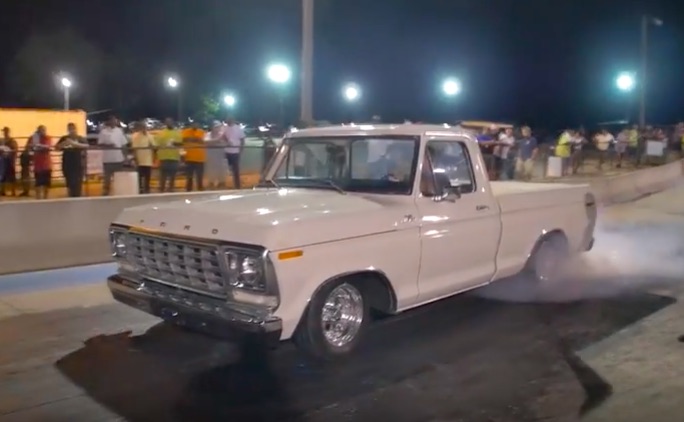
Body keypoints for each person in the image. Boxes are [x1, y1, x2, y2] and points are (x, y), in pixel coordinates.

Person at [55, 123, 88, 197]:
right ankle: (70, 195)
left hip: (78, 163)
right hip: (67, 163)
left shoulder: (80, 138)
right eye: (70, 129)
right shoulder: (64, 138)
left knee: (78, 181)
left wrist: (75, 144)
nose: (72, 130)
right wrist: (65, 143)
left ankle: (78, 195)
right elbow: (56, 147)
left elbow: (86, 146)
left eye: (73, 128)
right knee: (69, 181)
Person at [97, 116, 128, 195]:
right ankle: (106, 192)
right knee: (107, 178)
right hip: (107, 160)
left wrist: (125, 157)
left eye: (115, 120)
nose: (114, 122)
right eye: (112, 120)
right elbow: (100, 145)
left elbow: (124, 144)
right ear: (109, 121)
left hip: (118, 159)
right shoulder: (103, 132)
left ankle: (118, 192)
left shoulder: (119, 131)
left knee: (118, 178)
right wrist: (108, 146)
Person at [155, 118, 183, 192]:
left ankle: (171, 189)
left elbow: (181, 143)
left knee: (173, 176)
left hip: (174, 157)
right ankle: (162, 189)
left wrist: (175, 143)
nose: (169, 123)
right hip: (163, 157)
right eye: (167, 122)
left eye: (170, 122)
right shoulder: (161, 133)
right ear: (165, 123)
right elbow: (156, 145)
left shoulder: (177, 132)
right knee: (163, 176)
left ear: (173, 122)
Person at [129, 121, 155, 194]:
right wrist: (135, 158)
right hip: (140, 159)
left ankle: (147, 189)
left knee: (147, 176)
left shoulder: (150, 136)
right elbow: (134, 148)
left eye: (144, 127)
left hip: (148, 159)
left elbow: (154, 146)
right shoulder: (135, 136)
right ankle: (140, 189)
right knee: (139, 176)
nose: (143, 128)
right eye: (142, 127)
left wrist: (152, 148)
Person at [29, 125, 52, 199]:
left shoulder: (47, 138)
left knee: (46, 183)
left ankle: (45, 198)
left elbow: (47, 146)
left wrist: (38, 145)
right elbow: (30, 147)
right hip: (38, 164)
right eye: (41, 130)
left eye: (43, 130)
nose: (43, 132)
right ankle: (38, 198)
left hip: (46, 164)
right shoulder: (34, 138)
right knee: (38, 183)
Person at [221, 117, 245, 189]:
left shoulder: (238, 129)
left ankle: (237, 185)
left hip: (235, 151)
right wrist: (226, 141)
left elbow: (242, 139)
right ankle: (223, 183)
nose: (228, 121)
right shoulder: (225, 128)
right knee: (225, 168)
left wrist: (241, 149)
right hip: (227, 151)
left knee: (235, 169)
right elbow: (223, 136)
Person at [182, 121, 206, 191]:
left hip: (200, 158)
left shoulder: (201, 132)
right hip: (189, 158)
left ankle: (200, 189)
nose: (195, 125)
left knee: (199, 176)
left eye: (196, 124)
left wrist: (192, 139)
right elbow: (184, 139)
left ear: (198, 125)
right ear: (191, 124)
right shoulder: (186, 131)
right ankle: (188, 190)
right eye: (194, 124)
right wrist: (196, 139)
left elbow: (202, 141)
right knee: (189, 176)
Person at [204, 121, 228, 189]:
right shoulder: (208, 134)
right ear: (212, 128)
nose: (217, 129)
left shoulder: (222, 135)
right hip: (211, 159)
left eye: (218, 127)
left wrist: (218, 140)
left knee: (222, 176)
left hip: (220, 158)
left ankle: (221, 185)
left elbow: (228, 143)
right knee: (211, 176)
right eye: (215, 127)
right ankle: (211, 186)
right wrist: (217, 140)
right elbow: (206, 142)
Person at [0, 127, 18, 196]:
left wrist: (9, 151)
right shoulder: (1, 141)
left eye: (5, 132)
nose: (4, 133)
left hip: (9, 159)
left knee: (11, 176)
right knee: (2, 175)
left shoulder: (12, 141)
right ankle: (2, 190)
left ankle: (13, 191)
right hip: (3, 159)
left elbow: (15, 150)